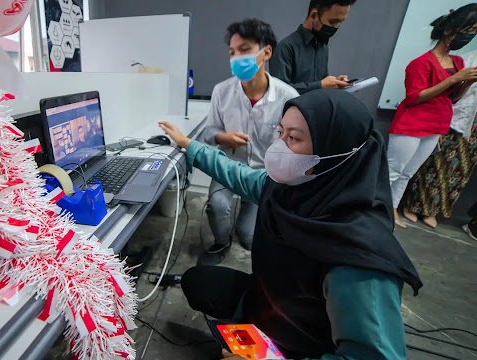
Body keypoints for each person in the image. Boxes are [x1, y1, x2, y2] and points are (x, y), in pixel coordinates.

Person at [158, 89, 422, 360]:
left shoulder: (360, 258)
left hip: (310, 345)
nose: (279, 147)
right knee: (199, 281)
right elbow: (237, 174)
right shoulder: (287, 189)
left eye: (294, 138)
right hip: (275, 305)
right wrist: (190, 145)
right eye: (280, 132)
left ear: (336, 151)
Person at [199, 18, 299, 265]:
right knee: (216, 206)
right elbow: (208, 132)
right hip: (229, 167)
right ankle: (221, 243)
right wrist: (222, 137)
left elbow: (295, 146)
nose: (236, 58)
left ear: (266, 52)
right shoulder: (222, 91)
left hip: (262, 174)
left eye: (244, 50)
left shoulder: (288, 97)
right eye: (232, 52)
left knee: (248, 236)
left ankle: (247, 222)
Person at [388, 4, 477, 228]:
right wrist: (455, 79)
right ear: (450, 30)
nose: (470, 36)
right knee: (392, 172)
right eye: (467, 31)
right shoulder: (421, 63)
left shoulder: (457, 63)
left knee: (408, 173)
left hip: (436, 124)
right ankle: (376, 209)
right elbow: (414, 98)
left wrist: (467, 83)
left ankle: (392, 209)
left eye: (474, 31)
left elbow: (453, 98)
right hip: (412, 123)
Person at [402, 50, 477, 228]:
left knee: (459, 171)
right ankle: (413, 206)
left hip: (474, 128)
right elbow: (451, 89)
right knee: (434, 164)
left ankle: (432, 210)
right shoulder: (468, 58)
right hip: (455, 117)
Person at [269, 0, 356, 94]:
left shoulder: (323, 48)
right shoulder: (285, 48)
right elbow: (279, 93)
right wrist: (321, 85)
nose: (336, 27)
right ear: (314, 15)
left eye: (340, 22)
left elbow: (322, 84)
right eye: (332, 21)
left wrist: (334, 83)